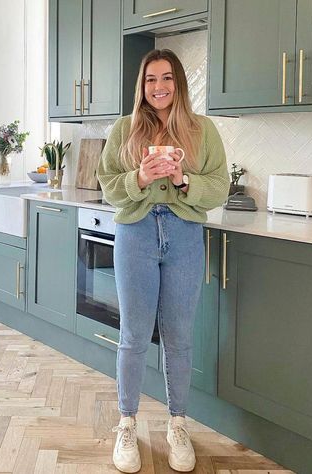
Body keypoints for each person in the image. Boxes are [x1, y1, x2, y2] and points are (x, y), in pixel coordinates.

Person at [97, 48, 230, 473]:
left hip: (184, 234)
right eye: (151, 79)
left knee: (178, 337)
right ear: (142, 86)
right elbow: (107, 186)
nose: (159, 87)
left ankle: (177, 424)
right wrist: (140, 177)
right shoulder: (124, 129)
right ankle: (127, 424)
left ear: (179, 84)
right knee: (134, 336)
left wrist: (181, 177)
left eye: (167, 78)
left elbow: (220, 186)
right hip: (135, 232)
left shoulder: (202, 130)